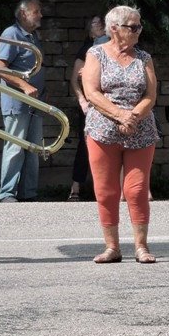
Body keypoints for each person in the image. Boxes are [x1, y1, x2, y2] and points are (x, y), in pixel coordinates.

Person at [81, 6, 159, 264]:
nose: (139, 31)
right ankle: (112, 247)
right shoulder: (95, 54)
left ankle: (141, 247)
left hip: (140, 130)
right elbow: (92, 92)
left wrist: (132, 116)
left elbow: (150, 95)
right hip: (103, 130)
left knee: (136, 190)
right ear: (114, 29)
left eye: (139, 26)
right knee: (106, 191)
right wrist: (119, 115)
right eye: (133, 27)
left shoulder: (144, 58)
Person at [0, 0, 46, 203]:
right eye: (36, 11)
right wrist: (25, 87)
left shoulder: (32, 36)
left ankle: (29, 194)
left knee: (33, 149)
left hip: (35, 104)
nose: (41, 15)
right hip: (17, 103)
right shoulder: (12, 34)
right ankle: (7, 194)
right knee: (15, 147)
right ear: (24, 14)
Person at [67, 14, 110, 201]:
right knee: (85, 146)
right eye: (94, 23)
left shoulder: (111, 48)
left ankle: (107, 190)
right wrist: (83, 102)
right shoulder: (86, 50)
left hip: (109, 103)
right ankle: (75, 187)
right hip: (90, 105)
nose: (99, 24)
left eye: (101, 22)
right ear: (89, 31)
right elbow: (74, 80)